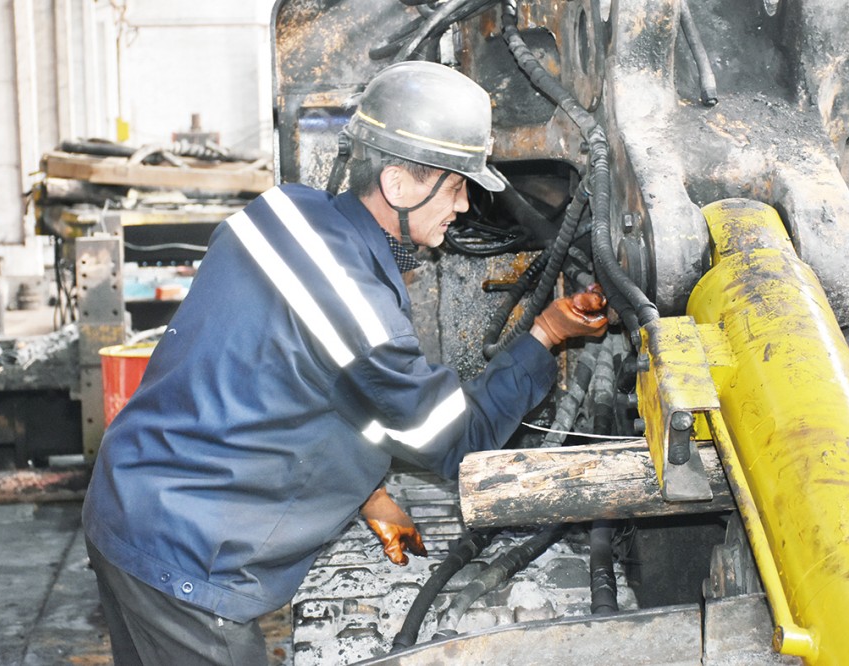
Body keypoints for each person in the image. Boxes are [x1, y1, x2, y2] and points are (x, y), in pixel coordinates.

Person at [82, 60, 607, 665]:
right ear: (398, 185)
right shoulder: (361, 316)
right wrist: (546, 333)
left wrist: (368, 493)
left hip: (127, 499)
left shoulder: (276, 212)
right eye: (456, 186)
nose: (464, 206)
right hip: (188, 561)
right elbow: (462, 438)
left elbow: (277, 384)